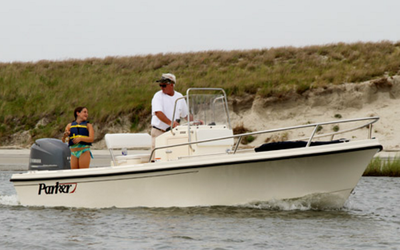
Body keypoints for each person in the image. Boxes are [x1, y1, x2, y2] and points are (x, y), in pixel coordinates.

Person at [151, 73, 189, 150]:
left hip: (173, 133)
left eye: (164, 85)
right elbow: (158, 113)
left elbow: (186, 115)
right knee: (156, 158)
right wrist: (171, 123)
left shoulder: (179, 96)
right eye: (160, 85)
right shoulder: (158, 96)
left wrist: (196, 122)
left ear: (172, 84)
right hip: (159, 132)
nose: (162, 88)